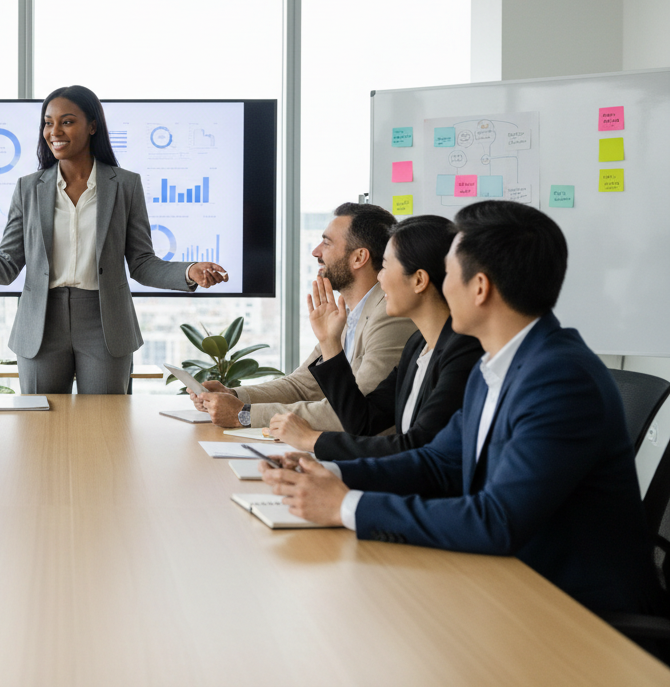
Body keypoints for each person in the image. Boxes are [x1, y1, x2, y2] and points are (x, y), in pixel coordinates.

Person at [261, 200, 661, 616]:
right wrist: (328, 473)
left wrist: (345, 507)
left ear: (480, 287)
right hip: (506, 584)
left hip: (577, 615)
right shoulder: (497, 364)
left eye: (448, 273)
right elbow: (438, 462)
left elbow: (497, 520)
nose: (440, 286)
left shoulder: (559, 379)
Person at [0, 85, 227, 394]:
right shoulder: (29, 188)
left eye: (67, 122)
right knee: (40, 426)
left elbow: (141, 263)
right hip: (41, 324)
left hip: (105, 323)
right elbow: (5, 266)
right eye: (48, 123)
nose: (55, 131)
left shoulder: (124, 185)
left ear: (92, 126)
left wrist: (189, 271)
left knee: (104, 428)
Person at [267, 215, 484, 459]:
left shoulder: (464, 352)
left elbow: (418, 447)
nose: (379, 278)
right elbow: (363, 421)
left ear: (419, 280)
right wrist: (330, 342)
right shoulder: (417, 346)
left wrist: (312, 440)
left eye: (386, 266)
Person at [194, 203, 415, 430]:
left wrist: (244, 414)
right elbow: (303, 385)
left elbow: (353, 412)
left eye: (327, 242)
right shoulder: (345, 313)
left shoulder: (389, 316)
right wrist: (234, 395)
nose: (316, 251)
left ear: (359, 257)